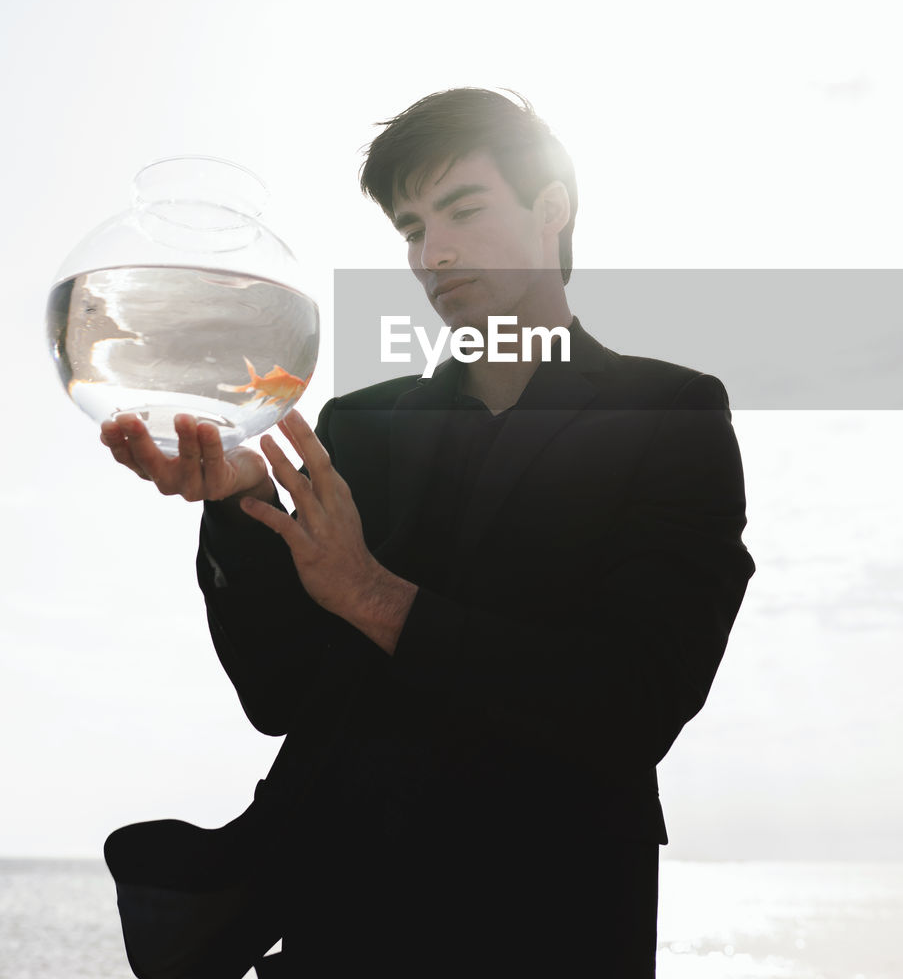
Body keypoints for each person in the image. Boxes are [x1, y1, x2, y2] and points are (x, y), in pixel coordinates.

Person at [101, 88, 754, 979]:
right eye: (410, 228)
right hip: (344, 925)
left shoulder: (670, 411)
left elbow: (633, 703)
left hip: (554, 924)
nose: (431, 251)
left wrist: (373, 596)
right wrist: (240, 505)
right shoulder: (358, 427)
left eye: (463, 210)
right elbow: (279, 695)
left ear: (551, 209)